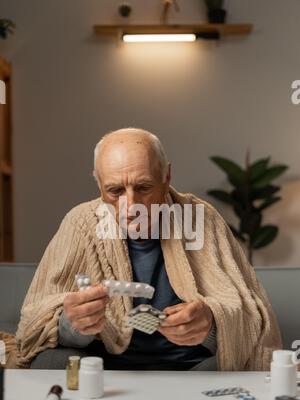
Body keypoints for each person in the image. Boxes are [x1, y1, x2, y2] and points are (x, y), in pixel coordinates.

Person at [14, 128, 281, 370]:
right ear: (98, 184)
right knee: (51, 362)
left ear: (166, 177)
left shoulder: (201, 218)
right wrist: (74, 325)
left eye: (143, 187)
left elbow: (252, 317)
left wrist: (211, 325)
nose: (131, 207)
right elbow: (34, 324)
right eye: (115, 191)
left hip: (192, 368)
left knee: (230, 370)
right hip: (104, 369)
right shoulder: (80, 222)